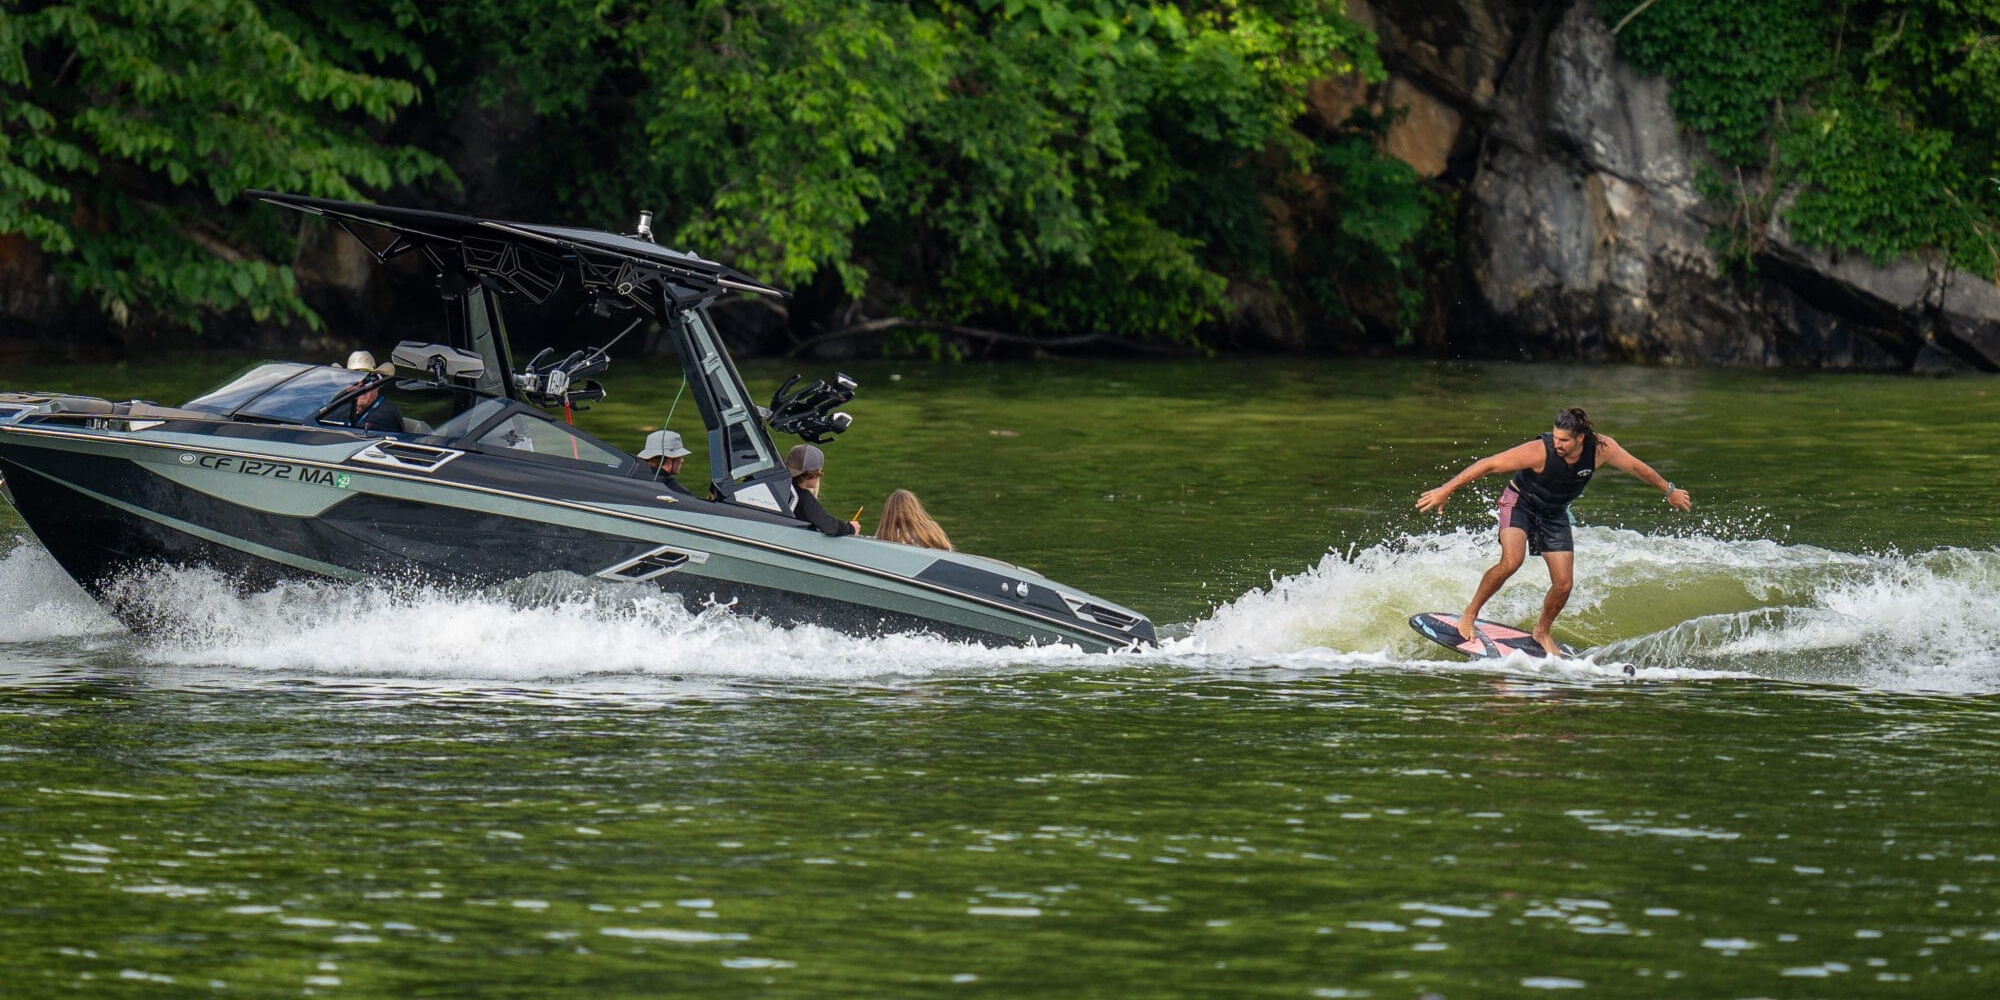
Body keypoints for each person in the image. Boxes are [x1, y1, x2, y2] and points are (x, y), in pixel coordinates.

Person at [1415, 407, 1692, 653]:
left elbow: (1636, 467)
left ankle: (1541, 631)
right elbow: (1489, 464)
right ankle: (1470, 613)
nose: (1556, 443)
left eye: (1563, 440)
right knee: (1512, 561)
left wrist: (1669, 490)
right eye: (1555, 437)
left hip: (1554, 514)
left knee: (1564, 584)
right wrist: (1446, 489)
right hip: (1520, 503)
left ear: (1580, 438)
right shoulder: (1539, 450)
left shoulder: (1601, 449)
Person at [785, 444, 859, 536]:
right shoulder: (804, 498)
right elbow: (829, 526)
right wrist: (851, 529)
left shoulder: (782, 489)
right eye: (820, 473)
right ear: (813, 474)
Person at [340, 350, 402, 433]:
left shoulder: (386, 413)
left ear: (377, 384)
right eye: (354, 381)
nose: (360, 386)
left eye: (366, 380)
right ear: (347, 387)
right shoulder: (341, 408)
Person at [876, 488, 953, 550]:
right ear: (914, 508)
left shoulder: (885, 534)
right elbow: (948, 550)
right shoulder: (932, 529)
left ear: (889, 512)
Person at [633, 429, 696, 496]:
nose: (682, 460)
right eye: (680, 456)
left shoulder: (633, 476)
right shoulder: (674, 488)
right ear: (669, 460)